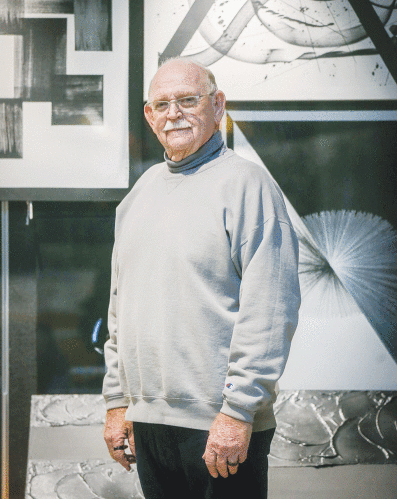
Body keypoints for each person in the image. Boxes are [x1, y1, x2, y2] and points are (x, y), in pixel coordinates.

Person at [103, 57, 300, 499]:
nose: (174, 113)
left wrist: (238, 411)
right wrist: (118, 403)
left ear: (218, 106)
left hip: (220, 423)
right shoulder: (138, 196)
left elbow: (270, 309)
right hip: (149, 423)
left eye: (188, 100)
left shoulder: (248, 185)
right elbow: (120, 310)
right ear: (150, 116)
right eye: (162, 104)